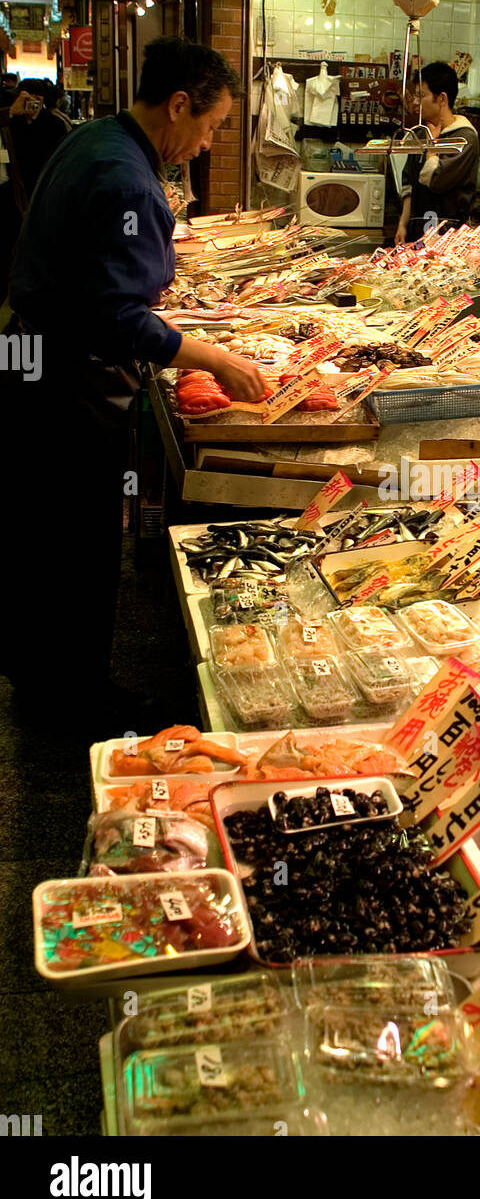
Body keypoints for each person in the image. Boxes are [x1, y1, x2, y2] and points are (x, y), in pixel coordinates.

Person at [0, 37, 266, 731]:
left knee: (44, 533)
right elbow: (116, 317)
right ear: (179, 106)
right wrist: (212, 357)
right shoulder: (126, 178)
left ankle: (40, 678)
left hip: (29, 356)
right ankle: (76, 703)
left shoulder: (97, 138)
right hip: (69, 378)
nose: (208, 145)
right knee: (79, 541)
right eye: (210, 127)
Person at [394, 61, 480, 245]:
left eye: (421, 96)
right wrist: (403, 223)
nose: (416, 102)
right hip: (417, 230)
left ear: (442, 98)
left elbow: (436, 180)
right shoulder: (420, 133)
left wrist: (431, 150)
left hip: (448, 236)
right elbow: (409, 181)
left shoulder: (464, 138)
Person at [0, 78, 71, 297]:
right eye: (27, 99)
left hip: (44, 198)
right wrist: (11, 113)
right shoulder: (9, 124)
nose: (32, 104)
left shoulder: (55, 124)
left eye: (36, 99)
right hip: (11, 197)